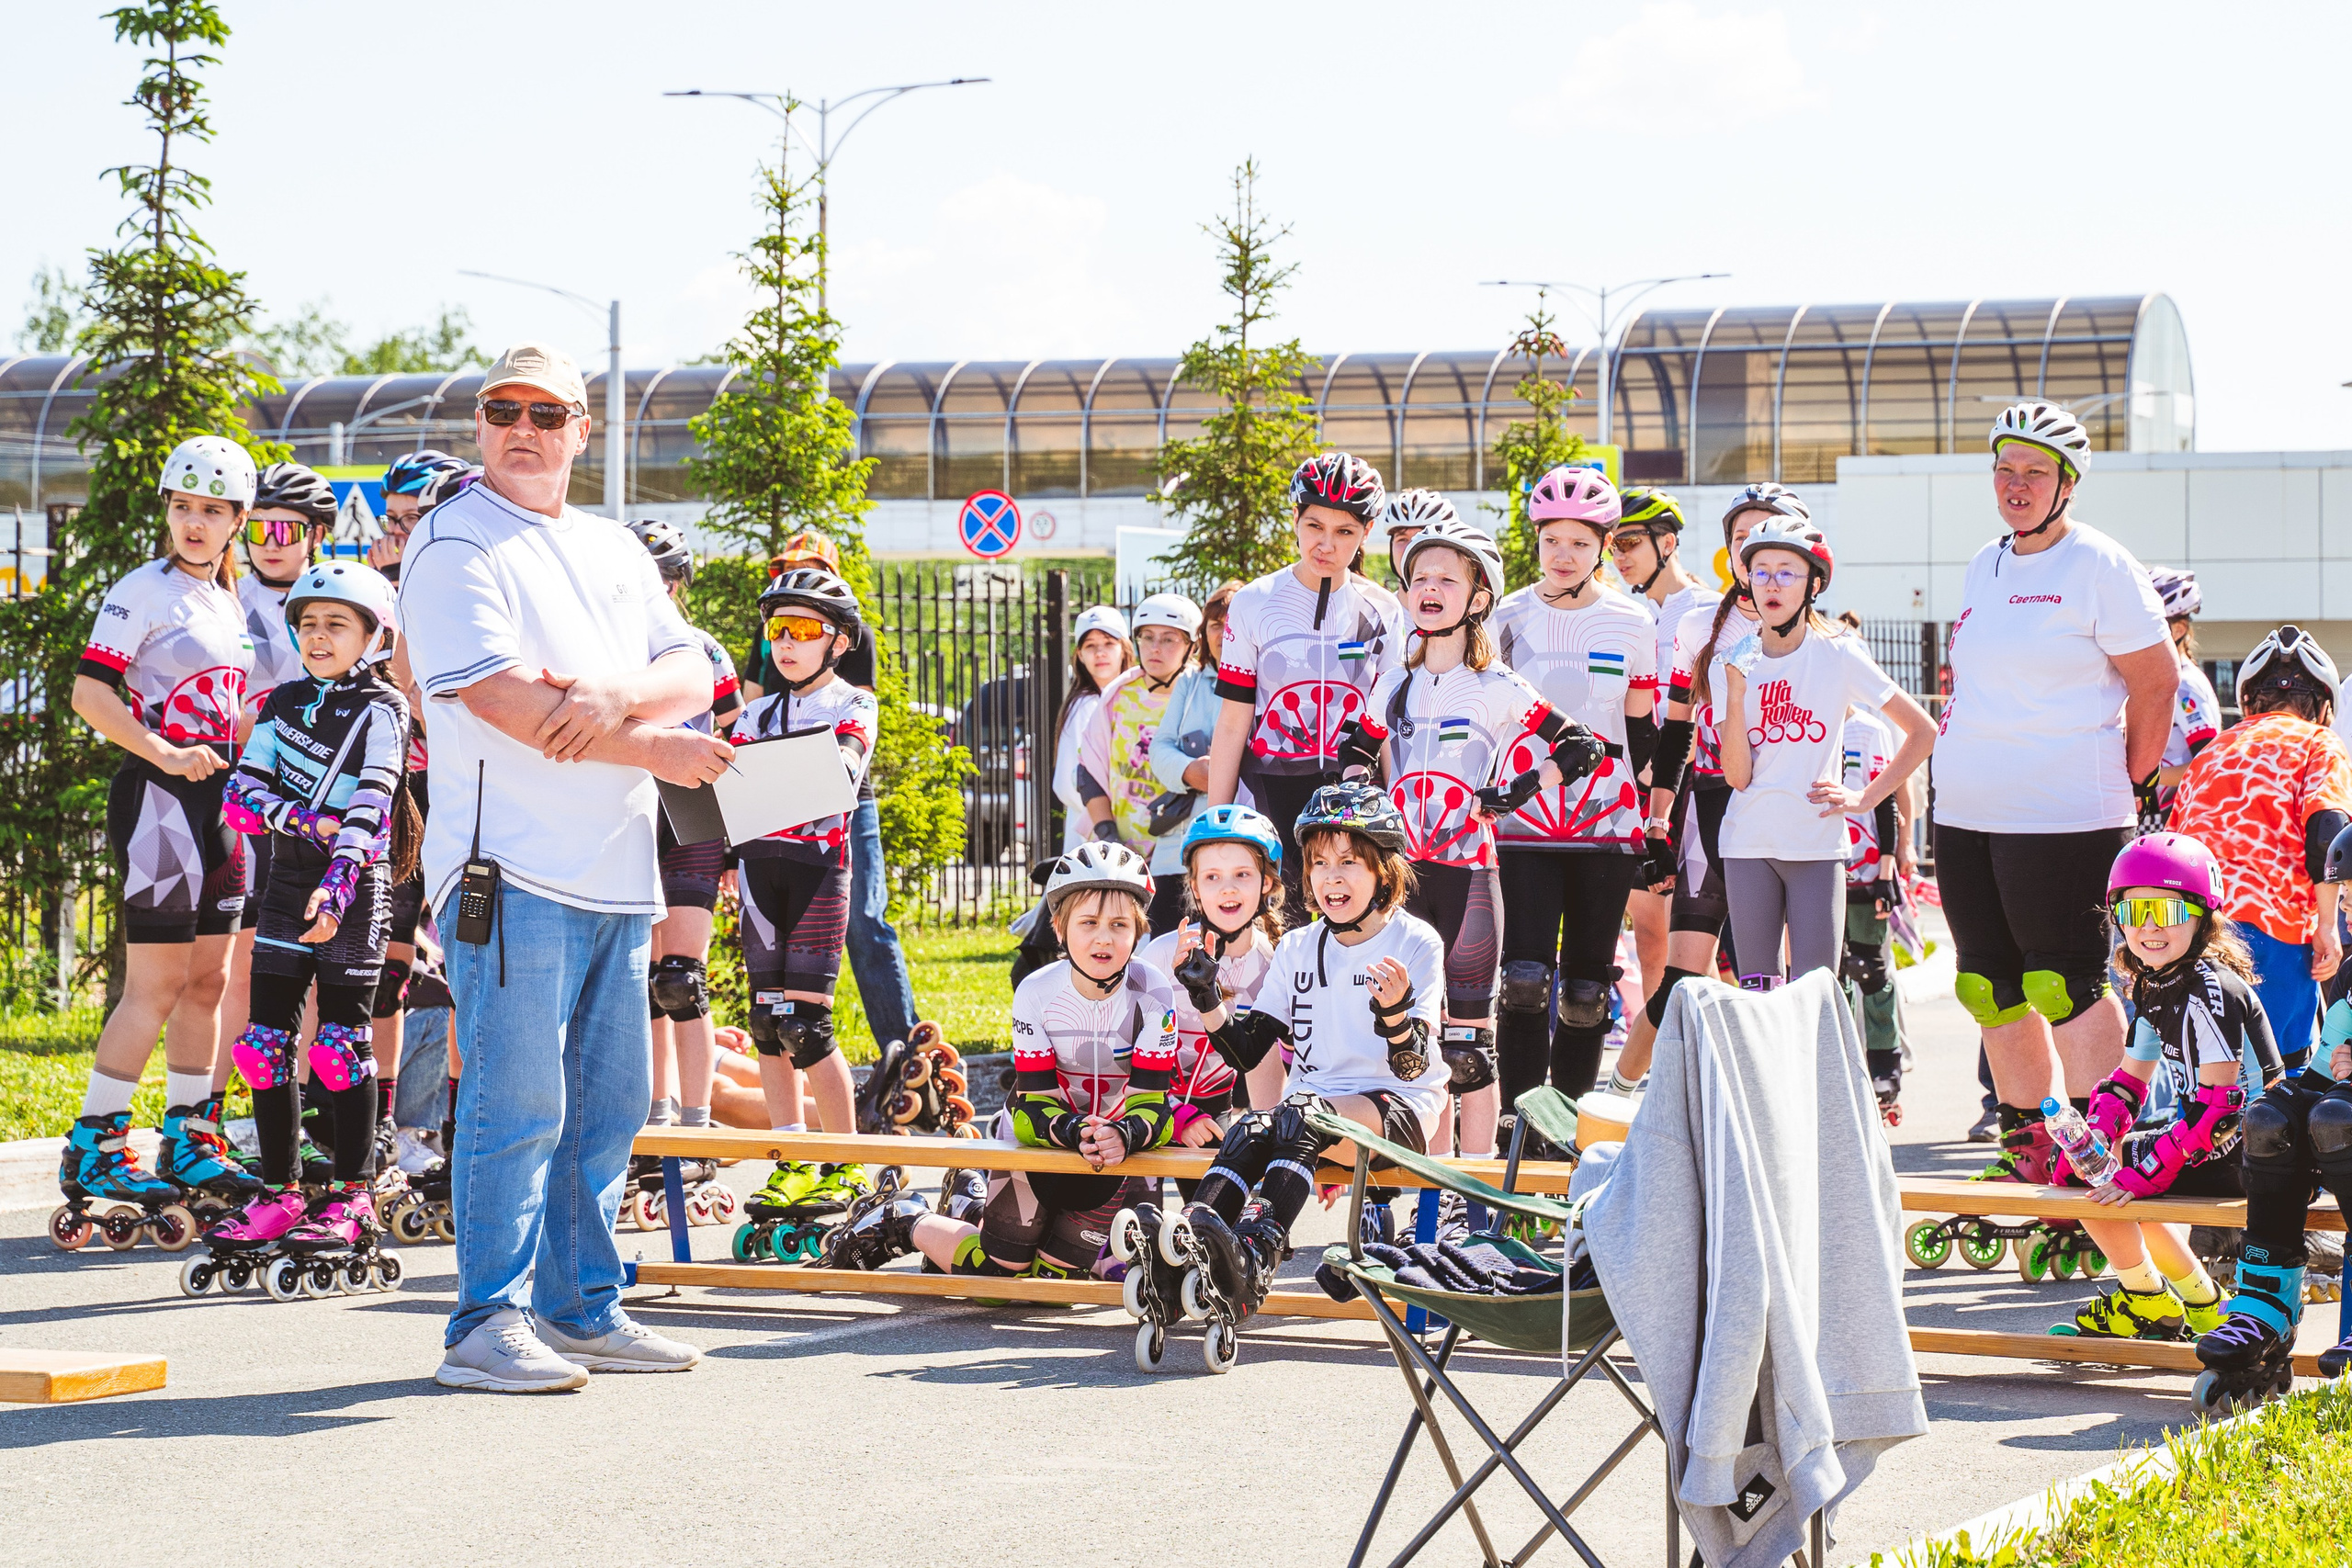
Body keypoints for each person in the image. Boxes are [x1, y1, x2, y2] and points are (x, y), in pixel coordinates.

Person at [401, 341, 733, 1392]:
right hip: (508, 864)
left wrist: (606, 695)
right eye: (504, 409)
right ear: (479, 423)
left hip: (616, 871)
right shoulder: (455, 539)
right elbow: (500, 698)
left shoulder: (613, 547)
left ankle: (581, 1308)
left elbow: (694, 668)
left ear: (582, 433)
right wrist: (652, 744)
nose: (524, 430)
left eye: (547, 414)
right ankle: (482, 1322)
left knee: (608, 1106)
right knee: (517, 1102)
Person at [1932, 401, 2176, 1181]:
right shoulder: (1986, 562)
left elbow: (2156, 681)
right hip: (1965, 811)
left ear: (2067, 483)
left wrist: (2130, 778)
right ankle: (2032, 1152)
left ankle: (2110, 1159)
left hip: (2065, 814)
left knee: (2062, 982)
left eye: (2035, 471)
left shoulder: (2100, 564)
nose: (2017, 483)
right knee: (1988, 986)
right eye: (2005, 469)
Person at [1351, 518, 1597, 1159]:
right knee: (1407, 1042)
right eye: (1419, 578)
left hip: (1468, 875)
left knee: (1467, 1049)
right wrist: (1361, 798)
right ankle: (1417, 1185)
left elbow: (1582, 746)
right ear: (1405, 594)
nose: (1430, 589)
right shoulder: (1393, 682)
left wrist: (1519, 789)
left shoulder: (1497, 686)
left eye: (1447, 579)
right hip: (1400, 881)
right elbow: (1355, 751)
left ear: (1479, 598)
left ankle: (1475, 1192)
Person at [1159, 783, 1447, 1321]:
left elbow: (1413, 1065)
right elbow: (1248, 1048)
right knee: (1253, 1125)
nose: (1331, 877)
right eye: (1319, 863)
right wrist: (1206, 996)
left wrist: (1394, 1016)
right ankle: (1188, 1249)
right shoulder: (1297, 946)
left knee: (1301, 1115)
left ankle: (1254, 1253)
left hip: (1399, 1111)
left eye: (1349, 862)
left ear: (1384, 872)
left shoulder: (1415, 941)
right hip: (1312, 1115)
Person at [62, 436, 257, 1228]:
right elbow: (89, 694)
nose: (194, 522)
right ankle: (98, 1141)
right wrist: (164, 752)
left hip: (221, 806)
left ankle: (190, 1135)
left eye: (211, 509)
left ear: (238, 519)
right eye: (182, 507)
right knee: (157, 983)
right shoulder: (142, 589)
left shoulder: (228, 600)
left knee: (210, 979)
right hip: (158, 798)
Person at [202, 560, 418, 1269]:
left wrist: (338, 877)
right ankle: (281, 1191)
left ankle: (354, 1195)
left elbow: (373, 803)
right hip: (289, 882)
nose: (318, 636)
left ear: (374, 636)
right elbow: (241, 797)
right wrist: (307, 822)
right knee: (262, 1047)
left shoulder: (384, 707)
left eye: (336, 624)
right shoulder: (282, 701)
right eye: (308, 624)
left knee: (339, 1048)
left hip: (352, 886)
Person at [832, 843, 1178, 1280]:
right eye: (1088, 922)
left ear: (1138, 930)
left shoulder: (1154, 992)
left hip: (1112, 1151)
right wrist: (1075, 1130)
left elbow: (1155, 1105)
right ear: (1059, 928)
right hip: (1043, 1137)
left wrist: (1125, 1133)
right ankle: (904, 1218)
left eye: (1119, 924)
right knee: (999, 1275)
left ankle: (969, 1202)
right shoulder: (1036, 991)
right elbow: (1032, 1106)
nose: (1104, 938)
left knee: (1053, 1285)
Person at [2050, 833, 2278, 1341]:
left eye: (2168, 911)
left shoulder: (2210, 990)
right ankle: (2201, 1306)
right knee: (2087, 1167)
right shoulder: (2158, 982)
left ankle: (2148, 1299)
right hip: (2221, 1145)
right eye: (2135, 911)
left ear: (2202, 917)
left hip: (2258, 1154)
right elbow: (2128, 1081)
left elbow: (2221, 1110)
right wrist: (2098, 1133)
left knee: (2113, 1181)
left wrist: (2147, 1170)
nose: (2150, 926)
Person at [1489, 466, 1657, 1120]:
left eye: (1580, 543)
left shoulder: (1633, 620)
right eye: (1552, 540)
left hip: (1607, 823)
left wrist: (1655, 820)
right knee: (1523, 982)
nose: (1563, 555)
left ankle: (1574, 1129)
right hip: (1522, 821)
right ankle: (1519, 1126)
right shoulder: (1503, 617)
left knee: (1586, 992)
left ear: (1605, 546)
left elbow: (1642, 730)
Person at [1615, 487, 1792, 1087]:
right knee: (1679, 980)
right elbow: (1677, 729)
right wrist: (1658, 820)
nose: (1754, 549)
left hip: (1788, 820)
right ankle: (1623, 1101)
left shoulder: (1820, 635)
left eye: (1768, 535)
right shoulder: (1701, 622)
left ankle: (1777, 1102)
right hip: (1710, 805)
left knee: (1780, 982)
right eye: (1742, 538)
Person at [1712, 519, 1935, 990]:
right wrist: (1736, 693)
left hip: (1817, 845)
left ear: (1814, 584)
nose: (1772, 584)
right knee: (1759, 995)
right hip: (1747, 844)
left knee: (1817, 995)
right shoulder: (1728, 662)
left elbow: (1923, 731)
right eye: (1761, 571)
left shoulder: (1839, 653)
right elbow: (1737, 776)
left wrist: (1864, 799)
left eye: (1786, 572)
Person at [200, 460, 341, 1198]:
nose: (270, 542)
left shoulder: (338, 598)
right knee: (243, 966)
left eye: (287, 529)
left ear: (316, 535)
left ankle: (305, 1114)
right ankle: (212, 1117)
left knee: (312, 966)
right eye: (258, 528)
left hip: (319, 810)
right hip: (251, 802)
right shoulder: (227, 597)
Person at [729, 566, 879, 1213]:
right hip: (758, 872)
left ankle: (846, 1162)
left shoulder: (854, 704)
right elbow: (728, 793)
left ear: (839, 641)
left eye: (802, 629)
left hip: (817, 871)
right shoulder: (754, 712)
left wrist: (767, 778)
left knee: (807, 1025)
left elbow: (840, 773)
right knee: (767, 1023)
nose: (785, 642)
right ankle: (791, 1157)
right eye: (777, 629)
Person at [1206, 452, 1406, 911]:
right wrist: (1217, 824)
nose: (1326, 545)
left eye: (1345, 532)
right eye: (1315, 526)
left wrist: (1395, 808)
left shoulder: (1384, 610)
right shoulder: (1254, 602)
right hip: (1269, 786)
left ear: (1366, 533)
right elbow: (1233, 720)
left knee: (1354, 925)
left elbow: (1387, 724)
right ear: (1295, 517)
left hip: (1353, 787)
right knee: (1280, 927)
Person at [748, 529, 916, 1057]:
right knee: (773, 1011)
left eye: (808, 566)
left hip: (844, 800)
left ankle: (902, 1048)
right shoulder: (774, 634)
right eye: (786, 566)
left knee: (865, 920)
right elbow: (753, 701)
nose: (787, 639)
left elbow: (853, 718)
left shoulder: (849, 632)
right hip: (774, 801)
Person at [2168, 626, 2351, 1064]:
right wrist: (2328, 925)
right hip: (2275, 930)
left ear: (2249, 702)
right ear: (2323, 706)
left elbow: (2173, 849)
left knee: (2207, 1066)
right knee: (2278, 1071)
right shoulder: (2318, 742)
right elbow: (2327, 832)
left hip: (2197, 927)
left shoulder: (2210, 754)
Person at [629, 520, 743, 1145]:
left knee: (680, 979)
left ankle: (695, 1128)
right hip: (629, 806)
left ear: (679, 586)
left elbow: (738, 740)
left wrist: (735, 848)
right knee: (641, 984)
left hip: (692, 809)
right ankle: (655, 1116)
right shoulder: (608, 646)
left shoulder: (705, 650)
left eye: (665, 580)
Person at [1607, 486, 1716, 1053]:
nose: (1618, 556)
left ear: (1667, 543)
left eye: (1629, 542)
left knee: (1690, 946)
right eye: (1612, 546)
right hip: (1632, 789)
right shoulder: (1623, 612)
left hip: (1688, 788)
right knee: (1650, 938)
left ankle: (1709, 1060)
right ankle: (1664, 1067)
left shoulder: (1707, 608)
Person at [1139, 807, 1290, 1141]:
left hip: (1214, 1116)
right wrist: (1174, 1115)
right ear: (1194, 887)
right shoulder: (1162, 955)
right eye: (1212, 877)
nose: (1227, 888)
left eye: (1242, 874)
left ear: (1266, 882)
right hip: (1148, 1107)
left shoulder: (1274, 964)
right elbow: (1121, 1055)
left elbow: (1268, 1093)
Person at [1079, 591, 1203, 934]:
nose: (1155, 648)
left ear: (1191, 646)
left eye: (1169, 639)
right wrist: (1108, 835)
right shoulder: (1119, 692)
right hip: (1123, 850)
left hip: (1180, 852)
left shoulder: (1202, 693)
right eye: (1147, 637)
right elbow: (1088, 772)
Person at [1145, 580, 1246, 918]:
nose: (1224, 634)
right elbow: (1160, 749)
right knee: (1165, 935)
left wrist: (1223, 774)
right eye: (1216, 625)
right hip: (1179, 843)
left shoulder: (1268, 682)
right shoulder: (1189, 682)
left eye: (1233, 623)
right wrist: (1190, 771)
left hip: (1239, 839)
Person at [1836, 695, 1907, 1119]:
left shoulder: (1869, 730)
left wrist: (1886, 870)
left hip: (1864, 868)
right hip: (1816, 866)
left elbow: (1886, 799)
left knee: (1871, 972)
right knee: (1831, 976)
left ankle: (1885, 1073)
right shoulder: (1799, 722)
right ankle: (1841, 1069)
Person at [1054, 604, 1134, 852]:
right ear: (1079, 655)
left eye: (1109, 643)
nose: (1100, 653)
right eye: (1090, 646)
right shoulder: (1084, 706)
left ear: (1124, 648)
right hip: (1096, 835)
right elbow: (1068, 784)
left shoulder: (1138, 699)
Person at [2146, 568, 2221, 830]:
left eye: (2153, 624)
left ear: (2178, 629)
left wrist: (2143, 778)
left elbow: (2208, 762)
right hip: (2154, 813)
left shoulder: (2185, 683)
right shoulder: (2162, 676)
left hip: (2170, 818)